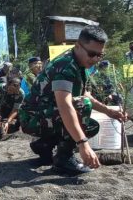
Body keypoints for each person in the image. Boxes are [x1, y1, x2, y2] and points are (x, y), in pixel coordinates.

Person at [19, 26, 126, 175]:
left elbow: (84, 94)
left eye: (100, 55)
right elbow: (66, 106)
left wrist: (109, 111)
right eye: (91, 54)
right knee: (82, 107)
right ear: (77, 46)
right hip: (31, 118)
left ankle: (44, 144)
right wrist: (83, 144)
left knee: (91, 126)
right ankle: (63, 159)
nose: (95, 59)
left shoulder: (80, 64)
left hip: (46, 113)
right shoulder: (65, 66)